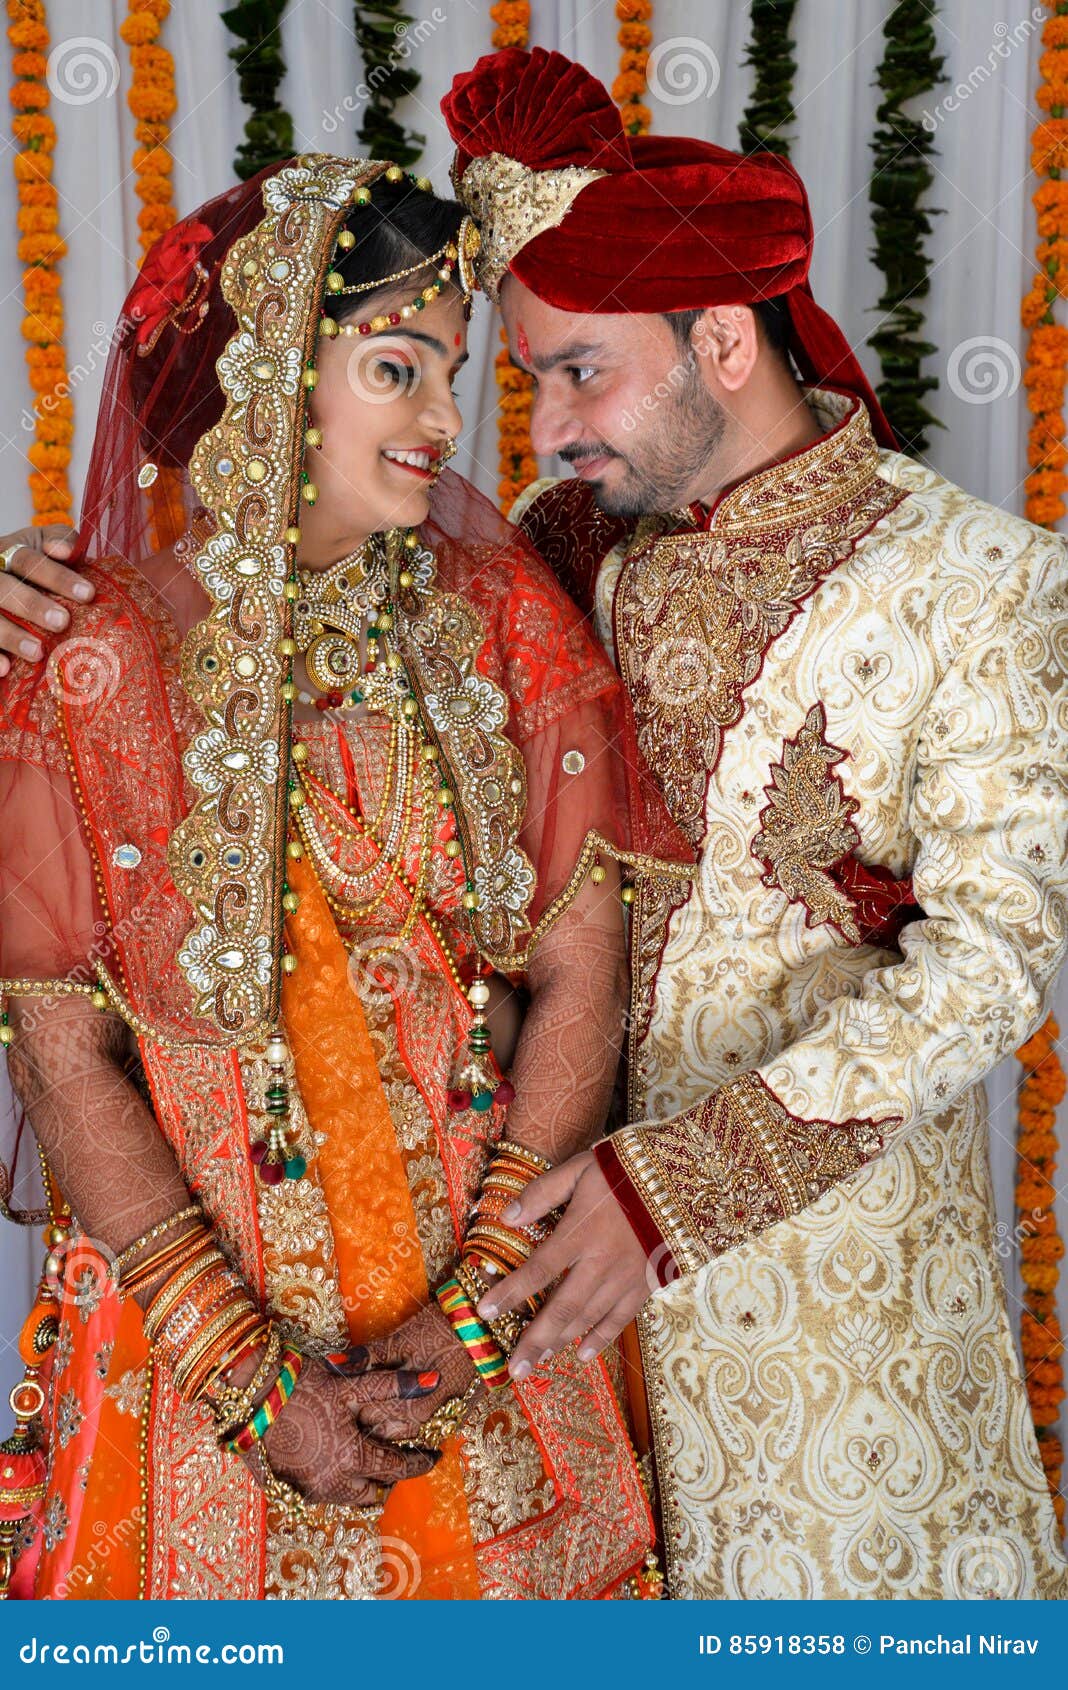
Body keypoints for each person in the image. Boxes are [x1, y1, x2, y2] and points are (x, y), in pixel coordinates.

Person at [0, 151, 687, 1600]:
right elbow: (68, 1063)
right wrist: (253, 1382)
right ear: (269, 381)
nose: (448, 422)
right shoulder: (92, 658)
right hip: (201, 1353)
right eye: (398, 368)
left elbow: (582, 975)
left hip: (477, 1323)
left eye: (453, 372)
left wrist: (483, 1312)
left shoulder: (503, 619)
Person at [432, 48, 1068, 1599]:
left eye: (581, 369)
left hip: (838, 1337)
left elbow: (1000, 960)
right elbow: (310, 667)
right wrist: (66, 603)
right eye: (529, 382)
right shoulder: (571, 554)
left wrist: (685, 1190)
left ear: (720, 336)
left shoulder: (981, 580)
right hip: (556, 1330)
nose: (548, 429)